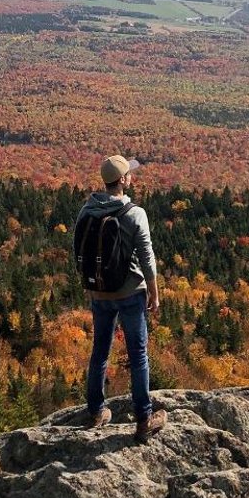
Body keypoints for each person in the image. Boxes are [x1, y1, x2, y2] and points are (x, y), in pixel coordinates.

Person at [76, 154, 167, 442]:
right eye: (130, 174)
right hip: (129, 292)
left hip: (99, 293)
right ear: (124, 180)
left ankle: (96, 411)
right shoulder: (134, 213)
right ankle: (143, 419)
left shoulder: (87, 210)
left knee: (100, 351)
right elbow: (146, 256)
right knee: (138, 355)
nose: (132, 177)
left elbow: (79, 251)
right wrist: (154, 291)